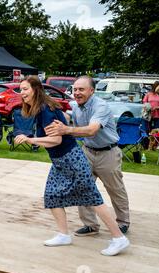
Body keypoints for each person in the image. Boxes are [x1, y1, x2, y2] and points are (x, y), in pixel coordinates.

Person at [15, 76, 129, 256]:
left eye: (25, 89)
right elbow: (64, 116)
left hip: (72, 159)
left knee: (93, 198)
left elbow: (56, 139)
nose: (21, 93)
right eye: (20, 90)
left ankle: (119, 238)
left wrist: (31, 140)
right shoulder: (43, 108)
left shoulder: (45, 109)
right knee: (52, 195)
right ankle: (63, 235)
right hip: (60, 160)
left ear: (36, 90)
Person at [45, 75, 130, 236]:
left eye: (81, 89)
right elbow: (66, 117)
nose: (77, 92)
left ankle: (123, 222)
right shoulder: (75, 106)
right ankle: (90, 225)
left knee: (115, 189)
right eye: (75, 89)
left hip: (108, 153)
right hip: (88, 151)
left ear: (92, 91)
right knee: (82, 187)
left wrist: (66, 130)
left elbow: (91, 130)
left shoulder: (101, 106)